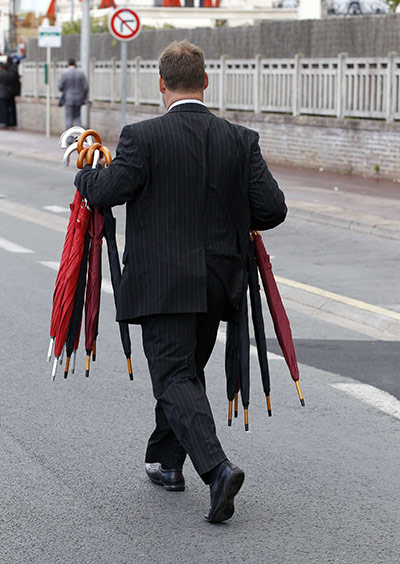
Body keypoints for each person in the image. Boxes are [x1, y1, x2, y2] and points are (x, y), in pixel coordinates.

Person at [75, 40, 287, 523]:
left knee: (172, 376)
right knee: (184, 375)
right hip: (219, 282)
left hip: (163, 280)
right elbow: (273, 209)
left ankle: (217, 471)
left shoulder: (141, 137)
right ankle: (166, 462)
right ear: (206, 81)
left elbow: (108, 190)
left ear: (161, 84)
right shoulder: (241, 140)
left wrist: (85, 175)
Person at [57, 58, 88, 130]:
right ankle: (79, 138)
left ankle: (69, 139)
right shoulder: (81, 74)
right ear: (75, 64)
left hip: (69, 99)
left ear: (68, 65)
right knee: (78, 118)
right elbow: (86, 87)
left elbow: (60, 87)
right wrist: (82, 95)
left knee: (69, 119)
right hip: (79, 99)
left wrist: (66, 90)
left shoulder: (65, 74)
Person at [6, 56, 20, 127]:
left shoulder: (9, 69)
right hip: (13, 90)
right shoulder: (15, 68)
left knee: (8, 107)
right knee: (12, 107)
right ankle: (13, 121)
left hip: (9, 91)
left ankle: (10, 121)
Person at [0, 60, 12, 128]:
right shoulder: (8, 73)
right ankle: (7, 121)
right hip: (8, 93)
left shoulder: (1, 74)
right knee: (6, 108)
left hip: (2, 93)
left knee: (2, 108)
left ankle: (3, 121)